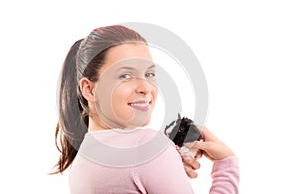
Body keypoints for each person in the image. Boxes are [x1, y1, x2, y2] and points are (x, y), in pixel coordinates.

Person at [52, 25, 239, 193]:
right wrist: (226, 165)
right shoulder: (145, 147)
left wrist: (165, 163)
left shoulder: (82, 161)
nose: (146, 87)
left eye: (149, 74)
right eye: (125, 75)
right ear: (89, 89)